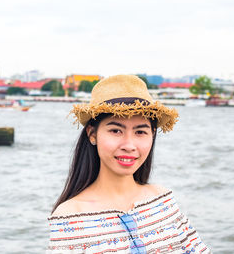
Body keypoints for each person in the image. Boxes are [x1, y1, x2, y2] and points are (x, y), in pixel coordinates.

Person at [47, 75, 211, 253]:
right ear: (92, 134)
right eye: (116, 130)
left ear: (153, 135)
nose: (129, 145)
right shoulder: (71, 216)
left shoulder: (162, 200)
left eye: (140, 132)